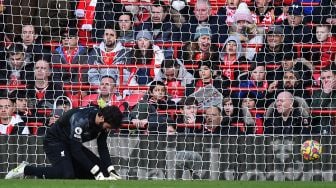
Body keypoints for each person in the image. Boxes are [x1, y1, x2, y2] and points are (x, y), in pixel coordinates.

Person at [5, 105, 123, 180]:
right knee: (67, 174)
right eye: (109, 126)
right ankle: (25, 169)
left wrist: (110, 169)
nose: (108, 129)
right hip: (55, 141)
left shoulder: (104, 123)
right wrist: (95, 171)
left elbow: (102, 147)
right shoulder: (81, 120)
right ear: (102, 118)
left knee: (104, 172)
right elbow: (76, 151)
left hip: (71, 143)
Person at [310, 65, 336, 134]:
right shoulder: (317, 93)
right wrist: (326, 93)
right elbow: (314, 113)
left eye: (328, 77)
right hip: (322, 132)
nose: (326, 80)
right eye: (323, 78)